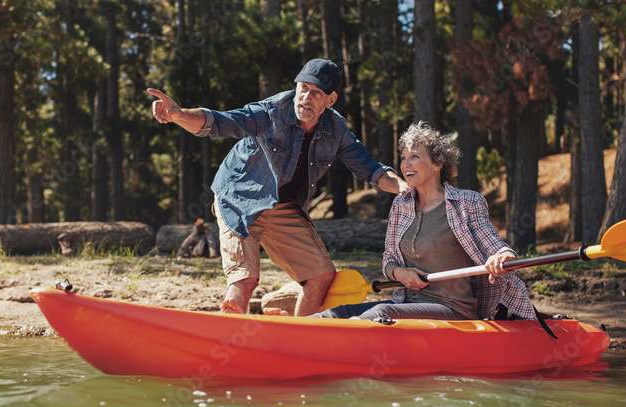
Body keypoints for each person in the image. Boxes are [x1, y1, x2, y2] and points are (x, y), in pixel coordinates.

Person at [148, 59, 407, 315]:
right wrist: (179, 114)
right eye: (303, 87)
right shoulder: (271, 112)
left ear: (330, 101)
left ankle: (299, 338)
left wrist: (405, 188)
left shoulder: (336, 128)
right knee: (245, 279)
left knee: (320, 276)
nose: (306, 97)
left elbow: (371, 170)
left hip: (282, 205)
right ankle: (229, 340)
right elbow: (219, 122)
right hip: (239, 199)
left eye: (316, 92)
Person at [313, 121, 537, 322]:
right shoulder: (401, 205)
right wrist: (399, 273)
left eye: (415, 157)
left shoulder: (467, 202)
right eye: (403, 158)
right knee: (340, 312)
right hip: (406, 304)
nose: (405, 165)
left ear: (437, 163)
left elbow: (496, 247)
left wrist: (502, 256)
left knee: (379, 313)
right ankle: (297, 327)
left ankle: (343, 344)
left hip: (453, 308)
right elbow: (389, 260)